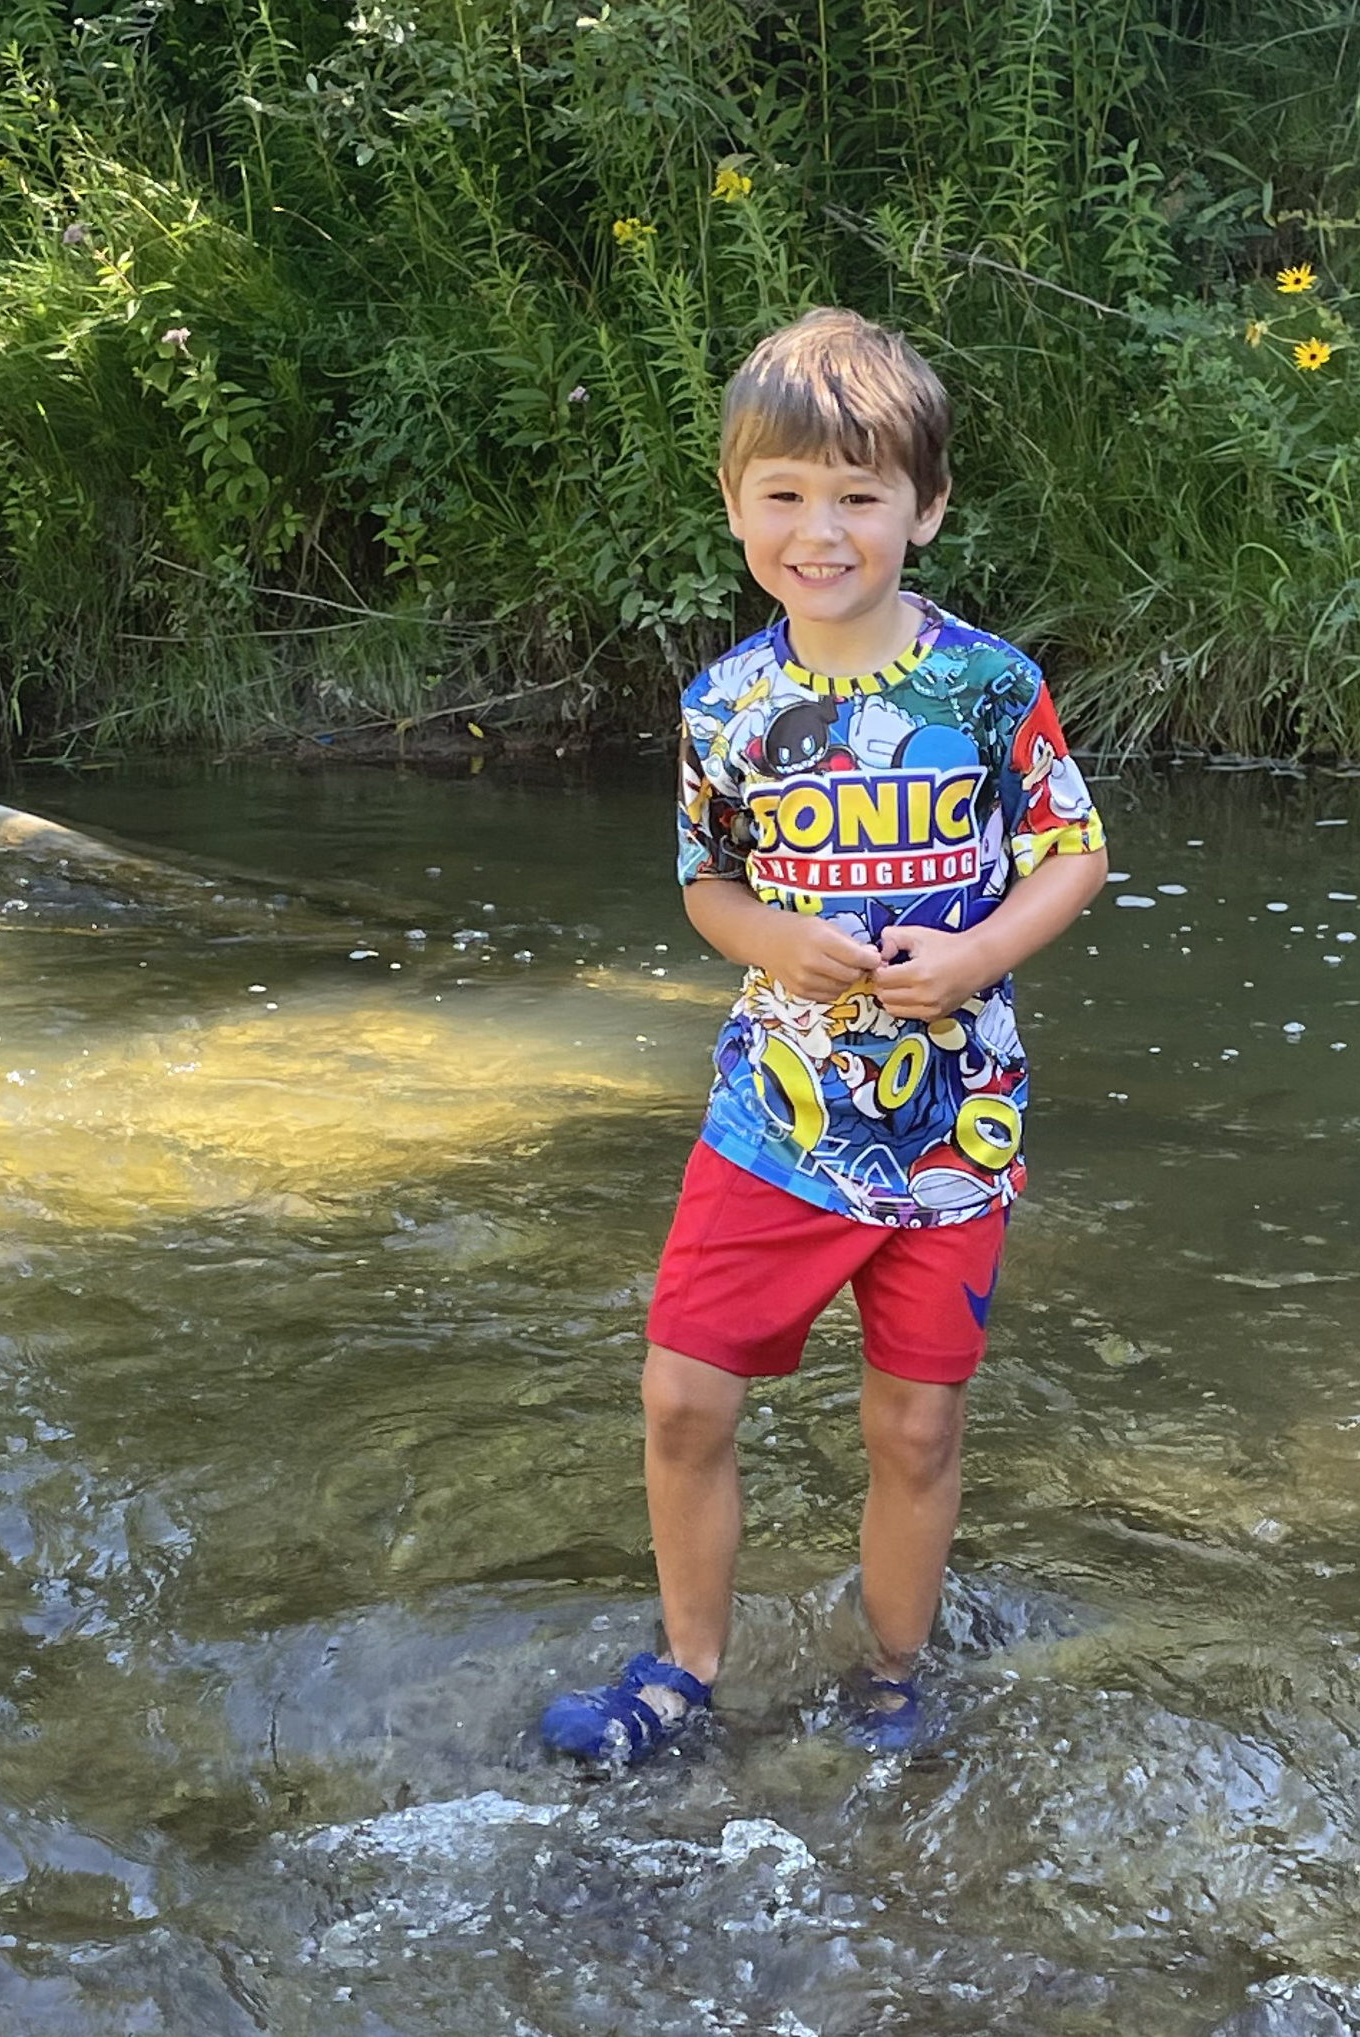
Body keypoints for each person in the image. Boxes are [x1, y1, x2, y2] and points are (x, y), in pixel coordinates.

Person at [540, 307, 1110, 1762]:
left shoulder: (989, 686)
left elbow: (1074, 854)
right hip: (777, 1117)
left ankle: (891, 1676)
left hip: (952, 1124)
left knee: (916, 1429)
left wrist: (974, 956)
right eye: (785, 494)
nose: (821, 530)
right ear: (736, 508)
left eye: (859, 496)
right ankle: (684, 1670)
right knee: (683, 1396)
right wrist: (774, 940)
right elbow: (706, 885)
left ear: (927, 508)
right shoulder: (725, 704)